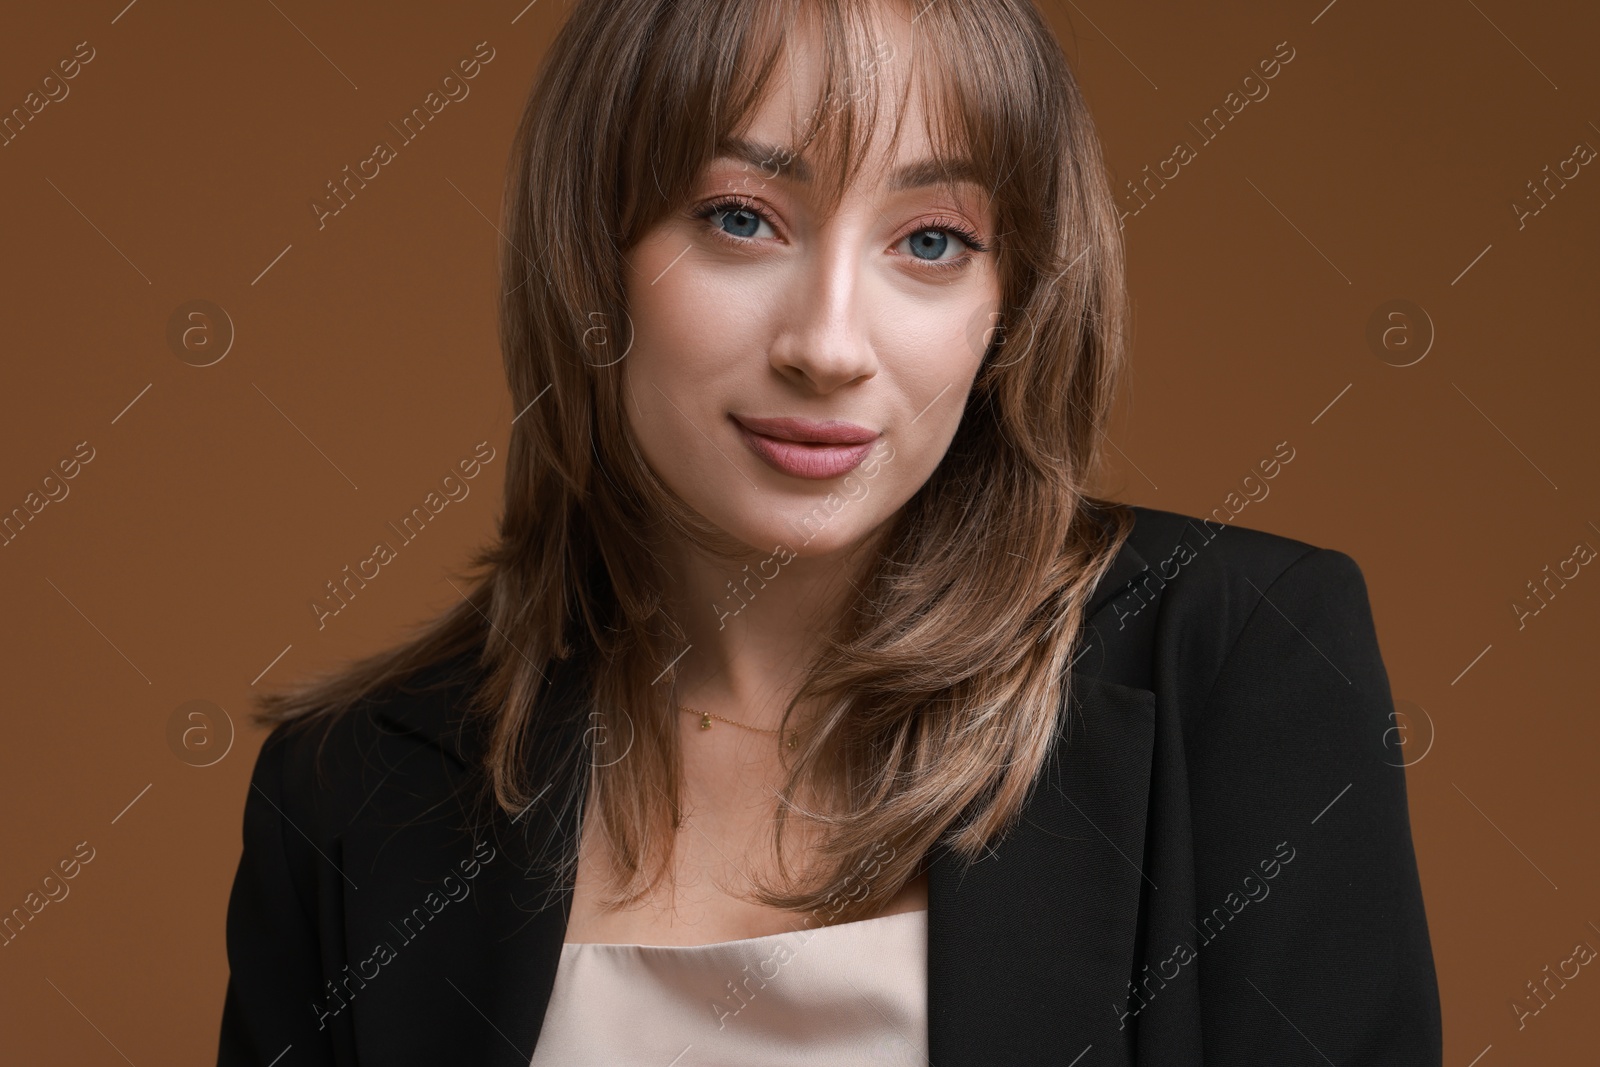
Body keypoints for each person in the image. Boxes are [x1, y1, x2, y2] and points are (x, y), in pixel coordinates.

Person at [216, 0, 1443, 1063]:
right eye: (742, 216)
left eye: (931, 240)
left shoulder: (1240, 663)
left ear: (1007, 301)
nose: (829, 344)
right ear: (591, 255)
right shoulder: (348, 790)